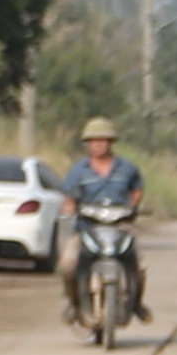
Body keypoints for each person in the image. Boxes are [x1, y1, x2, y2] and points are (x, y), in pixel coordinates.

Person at [56, 116, 142, 327]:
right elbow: (69, 197)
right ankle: (75, 303)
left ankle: (136, 304)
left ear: (111, 142)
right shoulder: (79, 171)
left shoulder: (127, 168)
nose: (99, 145)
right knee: (68, 264)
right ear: (88, 144)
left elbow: (137, 190)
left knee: (139, 266)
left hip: (119, 227)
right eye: (94, 141)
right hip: (86, 228)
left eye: (103, 140)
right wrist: (69, 208)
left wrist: (131, 207)